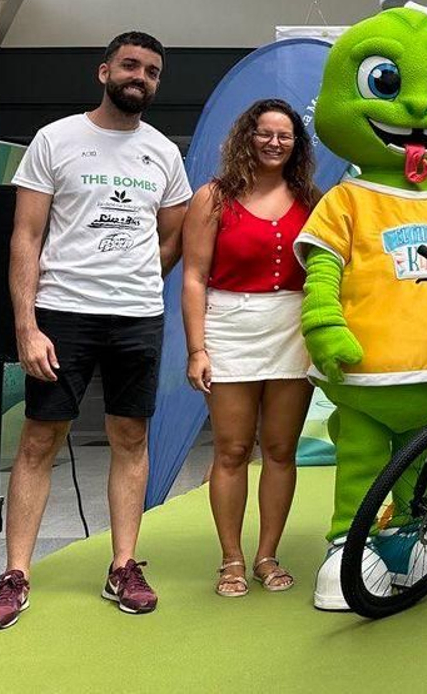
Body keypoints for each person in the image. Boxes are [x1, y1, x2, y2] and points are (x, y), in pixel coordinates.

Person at [0, 31, 192, 630]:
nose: (140, 77)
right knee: (39, 441)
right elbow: (25, 237)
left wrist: (138, 279)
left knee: (131, 440)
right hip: (62, 314)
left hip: (137, 317)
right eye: (130, 65)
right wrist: (27, 326)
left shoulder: (164, 154)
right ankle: (15, 575)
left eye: (152, 70)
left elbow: (172, 237)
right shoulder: (56, 140)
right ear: (104, 71)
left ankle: (123, 565)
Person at [182, 99, 319, 597]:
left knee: (281, 450)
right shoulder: (213, 198)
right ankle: (232, 560)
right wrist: (197, 349)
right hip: (229, 327)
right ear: (248, 136)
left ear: (297, 145)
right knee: (232, 449)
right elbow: (194, 277)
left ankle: (267, 555)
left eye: (285, 135)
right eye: (265, 133)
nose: (275, 142)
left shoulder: (311, 197)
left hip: (292, 329)